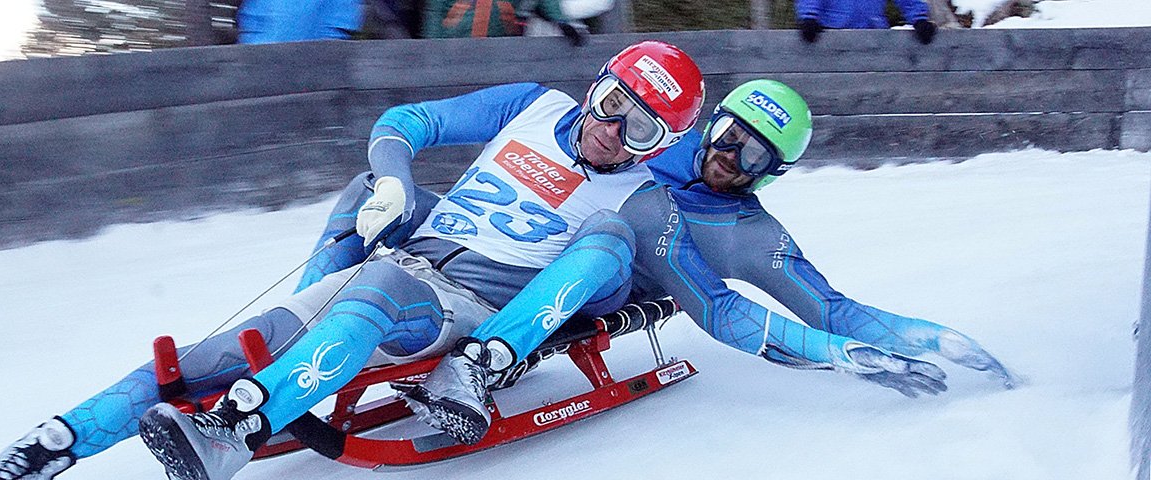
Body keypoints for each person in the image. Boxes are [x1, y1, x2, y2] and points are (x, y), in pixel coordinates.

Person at [0, 40, 706, 480]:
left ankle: (233, 436)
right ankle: (44, 447)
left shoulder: (641, 197)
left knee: (385, 286)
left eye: (640, 129)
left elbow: (662, 272)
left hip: (465, 308)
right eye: (613, 104)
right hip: (392, 269)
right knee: (198, 358)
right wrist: (392, 179)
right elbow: (406, 122)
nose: (613, 132)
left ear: (660, 146)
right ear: (595, 86)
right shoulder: (532, 106)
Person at [385, 80, 1019, 444]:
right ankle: (309, 316)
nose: (731, 159)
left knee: (609, 234)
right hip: (500, 240)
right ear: (710, 124)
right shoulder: (649, 134)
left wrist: (905, 344)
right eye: (730, 137)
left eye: (754, 159)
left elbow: (818, 308)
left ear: (773, 176)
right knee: (372, 192)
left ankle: (483, 355)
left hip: (597, 275)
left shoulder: (749, 234)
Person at [795, 0, 938, 44]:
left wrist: (919, 19)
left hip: (874, 35)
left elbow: (908, 1)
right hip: (832, 34)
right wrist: (809, 17)